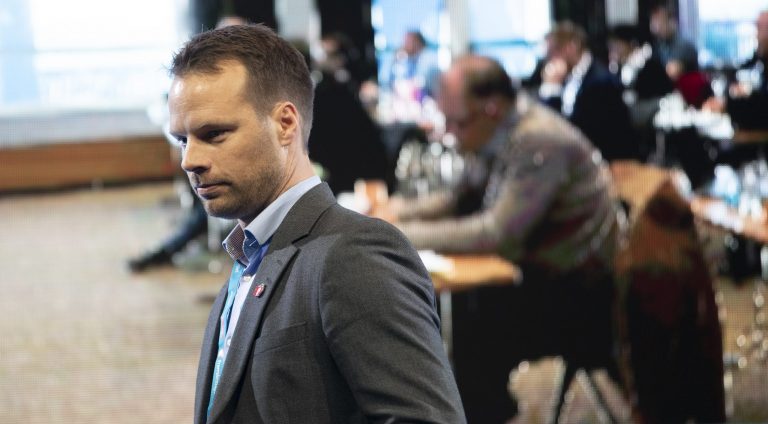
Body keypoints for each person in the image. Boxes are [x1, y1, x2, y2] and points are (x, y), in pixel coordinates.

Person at [166, 24, 465, 424]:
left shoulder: (353, 255)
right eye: (183, 140)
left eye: (214, 134)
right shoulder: (250, 254)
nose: (190, 160)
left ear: (285, 124)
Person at [374, 55, 622, 424]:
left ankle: (479, 411)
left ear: (491, 107)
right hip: (545, 276)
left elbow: (497, 234)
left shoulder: (538, 139)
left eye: (458, 122)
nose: (451, 133)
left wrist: (394, 233)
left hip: (584, 298)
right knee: (458, 313)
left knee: (470, 323)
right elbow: (457, 199)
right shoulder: (500, 131)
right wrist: (396, 212)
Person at [537, 21, 639, 161]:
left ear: (572, 46)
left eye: (554, 51)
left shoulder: (600, 82)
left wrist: (551, 89)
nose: (550, 60)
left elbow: (564, 131)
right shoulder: (568, 77)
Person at [649, 3, 699, 82]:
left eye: (661, 21)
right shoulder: (659, 44)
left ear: (671, 22)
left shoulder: (684, 44)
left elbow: (673, 71)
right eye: (654, 21)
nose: (657, 26)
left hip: (686, 86)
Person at [383, 30, 440, 99]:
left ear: (416, 43)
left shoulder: (428, 58)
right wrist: (394, 60)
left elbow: (418, 85)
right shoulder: (412, 59)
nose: (404, 46)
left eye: (407, 42)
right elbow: (392, 82)